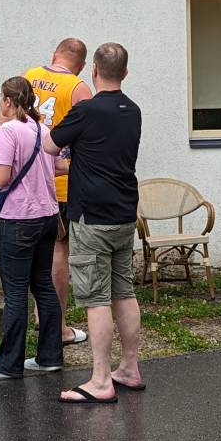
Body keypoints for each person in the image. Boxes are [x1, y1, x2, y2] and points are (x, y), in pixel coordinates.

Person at [42, 43, 142, 404]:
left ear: (94, 71)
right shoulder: (133, 110)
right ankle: (129, 368)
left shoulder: (86, 111)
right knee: (124, 292)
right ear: (125, 72)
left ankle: (101, 380)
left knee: (96, 298)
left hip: (91, 217)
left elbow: (50, 145)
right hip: (124, 214)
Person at [0, 77, 64, 379]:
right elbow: (59, 166)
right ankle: (50, 356)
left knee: (15, 293)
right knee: (43, 286)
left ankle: (8, 363)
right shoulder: (42, 129)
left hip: (19, 219)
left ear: (7, 101)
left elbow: (1, 177)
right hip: (48, 216)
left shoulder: (8, 131)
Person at [23, 39, 93, 348]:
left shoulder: (29, 76)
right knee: (58, 253)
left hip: (29, 179)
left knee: (35, 250)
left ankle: (40, 314)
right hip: (61, 183)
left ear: (54, 54)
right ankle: (58, 325)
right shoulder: (78, 88)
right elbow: (91, 136)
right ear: (81, 65)